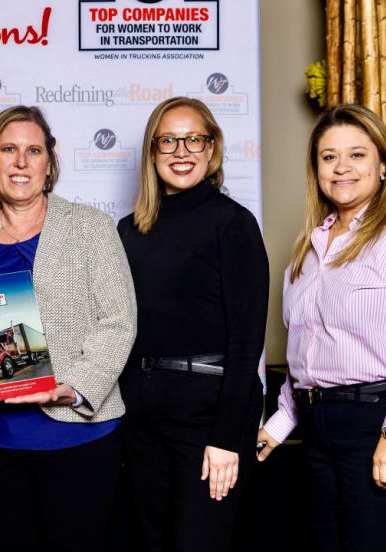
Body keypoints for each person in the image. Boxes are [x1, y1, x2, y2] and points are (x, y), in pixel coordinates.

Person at [0, 105, 137, 552]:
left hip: (78, 437)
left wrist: (73, 387)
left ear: (50, 161)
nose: (21, 162)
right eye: (8, 149)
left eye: (34, 150)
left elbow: (119, 323)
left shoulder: (90, 229)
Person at [257, 104, 386, 551]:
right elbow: (307, 349)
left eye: (357, 155)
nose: (341, 167)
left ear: (383, 165)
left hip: (380, 419)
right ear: (316, 169)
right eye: (328, 157)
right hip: (319, 427)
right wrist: (280, 423)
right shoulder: (309, 246)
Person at [116, 96, 269, 552]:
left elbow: (247, 344)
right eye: (168, 141)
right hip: (140, 420)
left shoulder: (234, 225)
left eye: (193, 140)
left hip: (207, 422)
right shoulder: (128, 230)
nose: (181, 152)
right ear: (152, 151)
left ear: (212, 148)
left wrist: (226, 438)